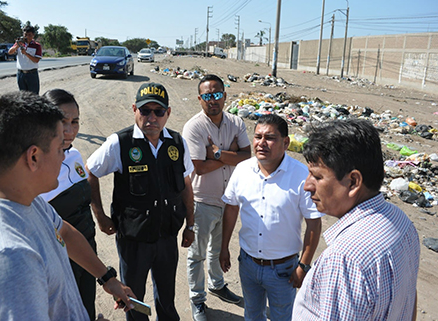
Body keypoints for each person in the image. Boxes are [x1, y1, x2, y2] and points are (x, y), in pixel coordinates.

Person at [0, 91, 135, 320]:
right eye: (58, 149)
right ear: (33, 157)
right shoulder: (10, 258)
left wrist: (107, 279)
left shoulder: (22, 199)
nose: (64, 158)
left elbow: (64, 231)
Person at [86, 82, 195, 321]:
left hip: (167, 235)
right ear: (135, 109)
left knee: (167, 295)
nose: (152, 117)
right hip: (134, 239)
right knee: (133, 299)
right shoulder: (120, 143)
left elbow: (186, 185)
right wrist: (101, 216)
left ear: (168, 113)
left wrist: (189, 224)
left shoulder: (177, 143)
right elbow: (90, 171)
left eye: (158, 111)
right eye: (145, 110)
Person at [292, 118, 420, 321]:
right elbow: (410, 301)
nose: (307, 185)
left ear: (353, 181)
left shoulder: (344, 260)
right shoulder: (401, 222)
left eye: (316, 176)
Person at [220, 114, 323, 321]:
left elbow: (314, 223)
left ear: (285, 142)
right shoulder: (242, 170)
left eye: (270, 138)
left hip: (284, 271)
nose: (261, 143)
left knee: (282, 317)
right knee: (252, 314)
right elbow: (231, 209)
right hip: (248, 264)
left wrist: (303, 265)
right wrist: (223, 248)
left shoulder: (301, 176)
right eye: (258, 137)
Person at [182, 74, 251, 320]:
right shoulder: (194, 127)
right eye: (208, 96)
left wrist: (218, 153)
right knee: (197, 254)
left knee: (218, 249)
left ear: (224, 95)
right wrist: (231, 154)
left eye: (217, 94)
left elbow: (248, 157)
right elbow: (198, 167)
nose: (213, 100)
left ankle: (217, 284)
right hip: (202, 201)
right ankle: (197, 299)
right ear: (200, 99)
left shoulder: (236, 122)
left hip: (229, 200)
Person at [40, 89, 97, 320]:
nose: (70, 130)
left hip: (87, 252)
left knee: (87, 309)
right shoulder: (36, 168)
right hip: (60, 262)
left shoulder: (73, 156)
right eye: (62, 122)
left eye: (75, 122)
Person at [8, 25, 42, 94]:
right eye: (25, 35)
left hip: (32, 74)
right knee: (23, 96)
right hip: (21, 74)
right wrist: (17, 46)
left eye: (29, 35)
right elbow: (10, 52)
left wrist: (26, 54)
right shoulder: (19, 43)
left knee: (34, 96)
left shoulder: (37, 46)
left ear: (33, 35)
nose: (27, 37)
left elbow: (36, 60)